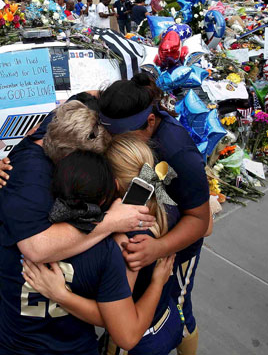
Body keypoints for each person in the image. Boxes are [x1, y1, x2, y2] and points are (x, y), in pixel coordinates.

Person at [0, 99, 154, 339]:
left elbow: (81, 98)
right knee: (0, 326)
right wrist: (112, 223)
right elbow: (121, 326)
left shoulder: (59, 126)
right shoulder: (100, 247)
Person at [0, 150, 174, 355]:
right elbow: (122, 327)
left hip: (12, 347)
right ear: (106, 200)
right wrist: (157, 282)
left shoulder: (16, 235)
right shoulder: (110, 250)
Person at [25, 134, 187, 355]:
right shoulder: (166, 204)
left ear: (114, 185)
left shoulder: (125, 242)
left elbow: (116, 322)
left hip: (140, 340)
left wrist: (61, 295)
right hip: (169, 317)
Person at [97, 74, 211, 354]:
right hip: (148, 229)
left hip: (176, 247)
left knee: (179, 307)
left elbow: (201, 221)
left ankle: (183, 340)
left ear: (149, 124)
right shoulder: (124, 122)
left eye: (120, 137)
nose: (112, 143)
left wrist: (159, 248)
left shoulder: (177, 151)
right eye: (107, 134)